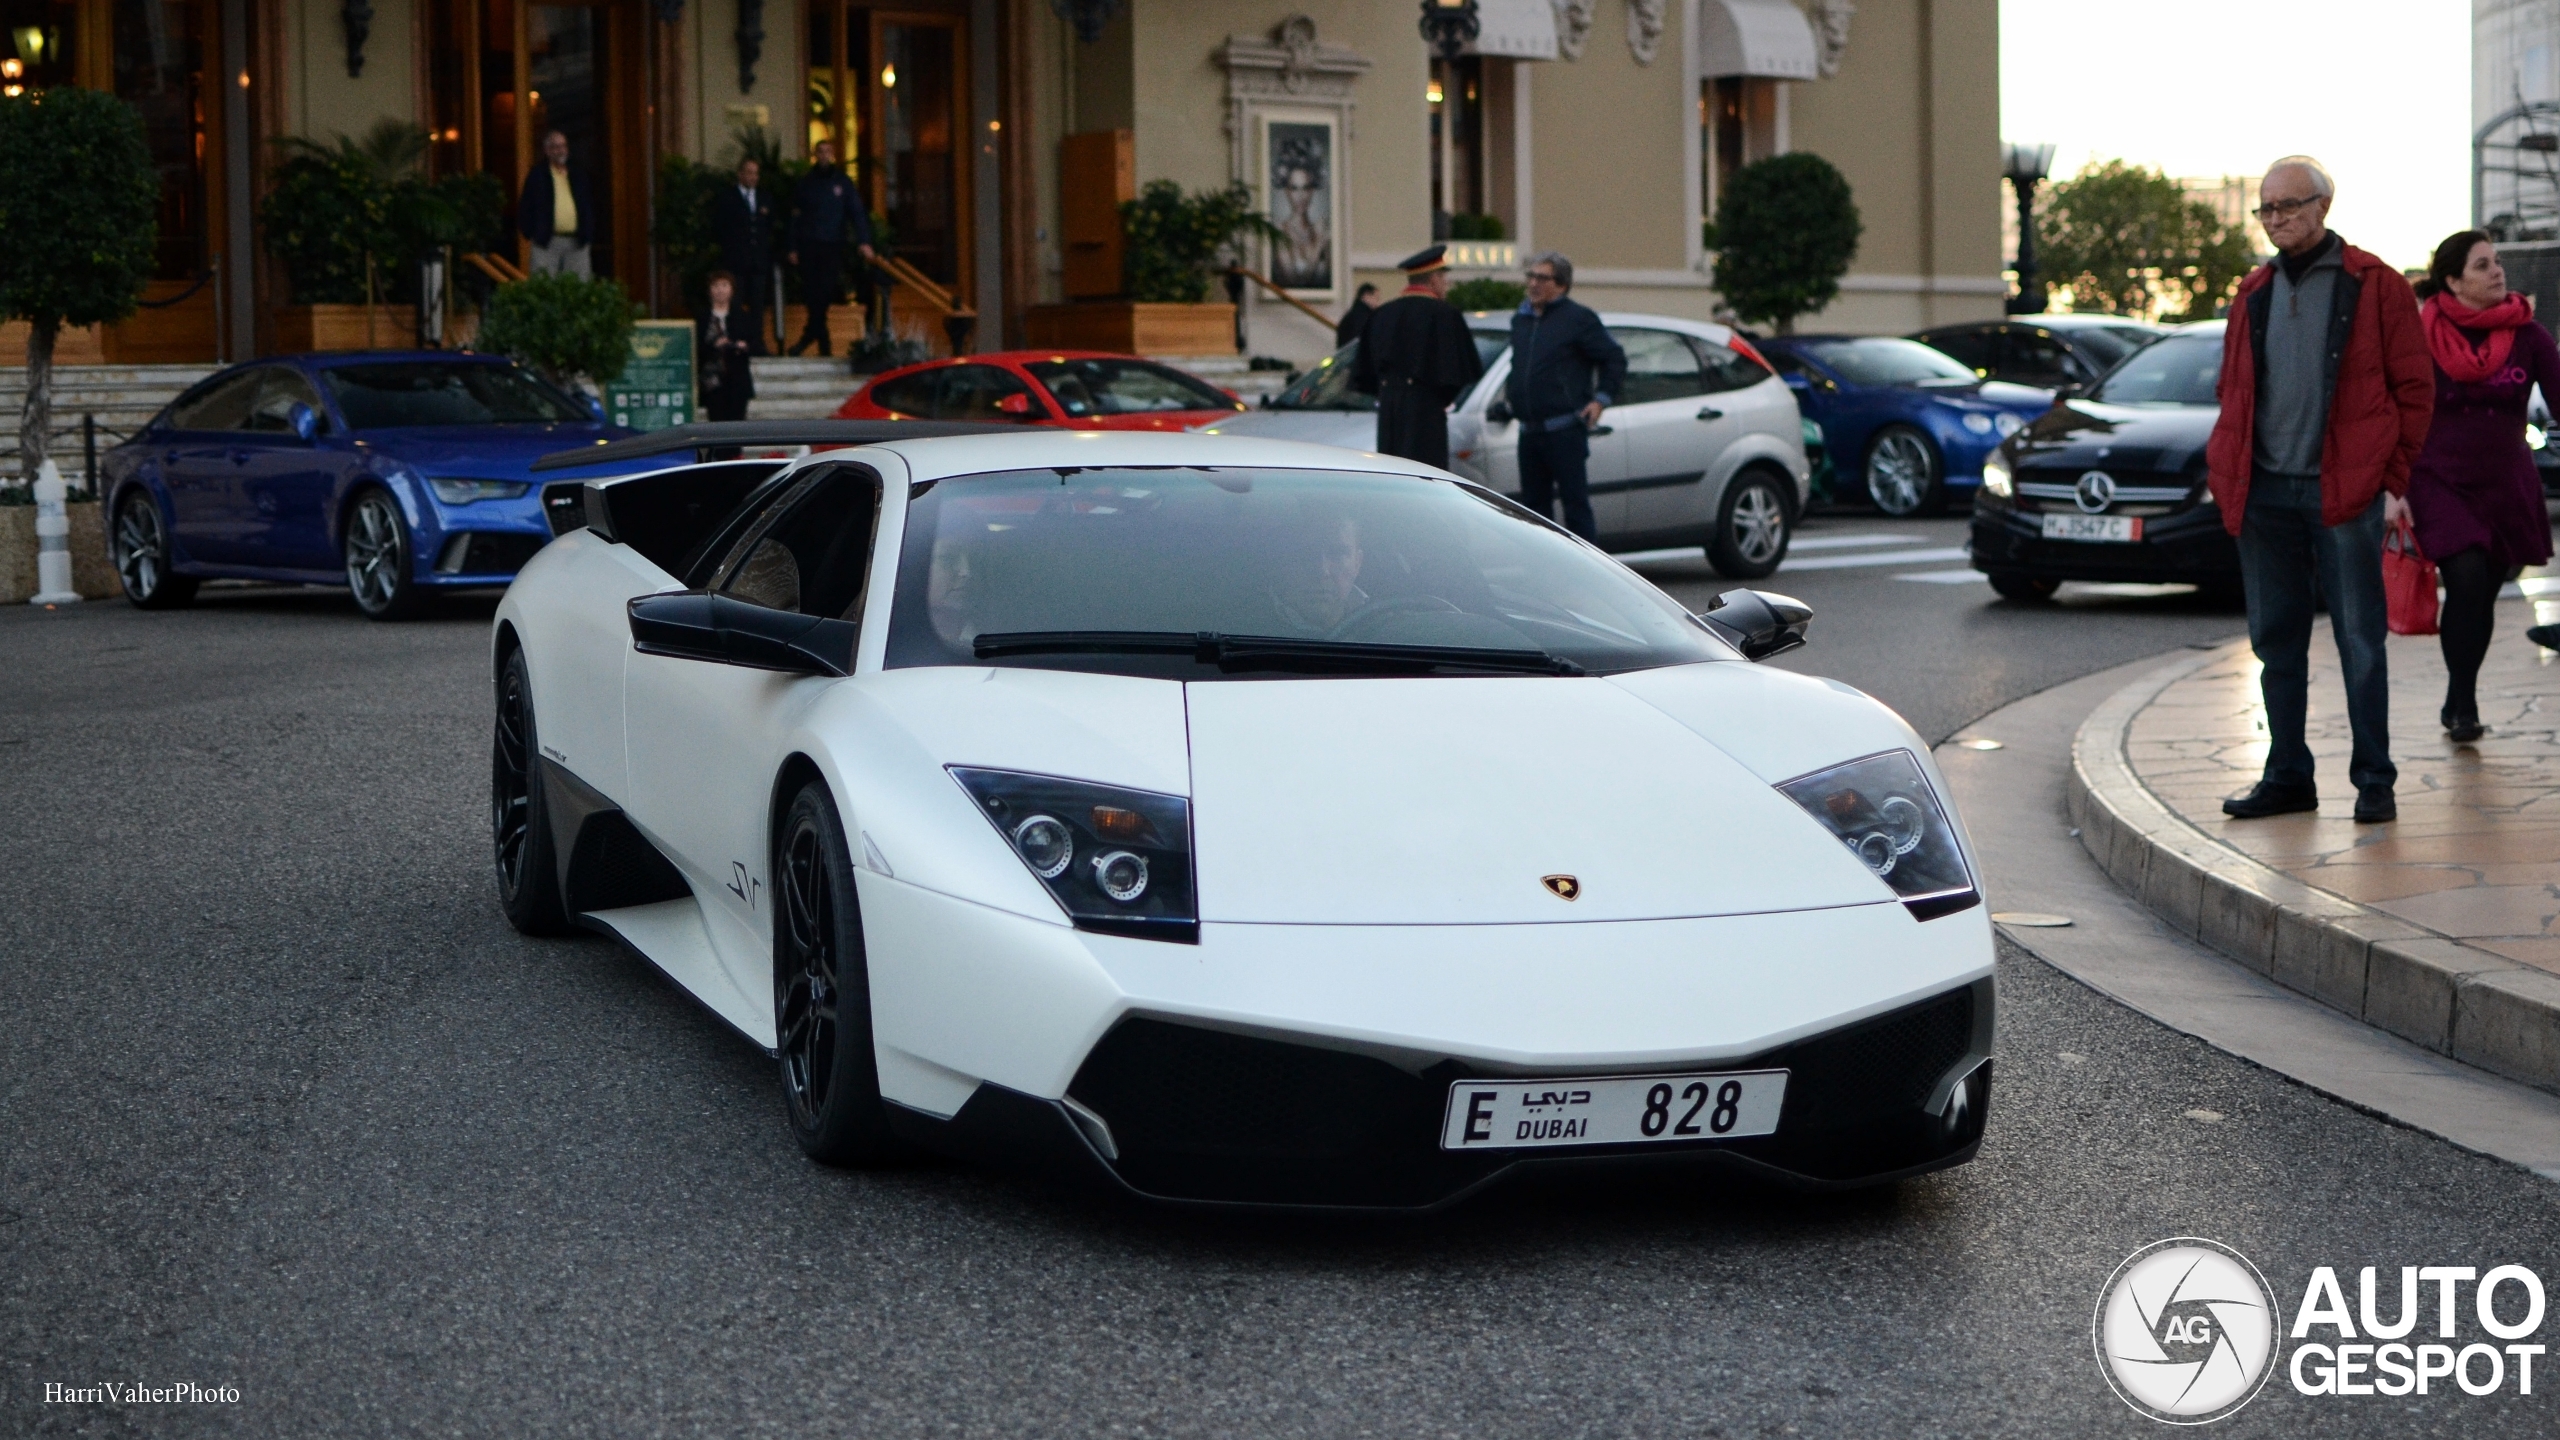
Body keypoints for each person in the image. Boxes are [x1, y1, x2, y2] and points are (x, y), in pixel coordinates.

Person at [2207, 158, 2434, 824]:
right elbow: (2233, 391)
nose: (2276, 219)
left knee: (2360, 642)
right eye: (2266, 209)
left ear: (2323, 206)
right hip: (2266, 495)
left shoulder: (2375, 284)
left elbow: (2414, 391)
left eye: (2288, 205)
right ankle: (2287, 778)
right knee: (2275, 641)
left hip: (2347, 490)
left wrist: (2392, 482)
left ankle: (2374, 779)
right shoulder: (2252, 291)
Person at [2405, 231, 2559, 742]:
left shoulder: (2530, 335)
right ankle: (2463, 699)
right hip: (2439, 480)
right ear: (2452, 281)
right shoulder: (2419, 334)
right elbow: (2398, 410)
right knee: (2467, 579)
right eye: (2482, 265)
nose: (2498, 272)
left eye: (2497, 263)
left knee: (2484, 592)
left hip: (2506, 486)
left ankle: (2460, 691)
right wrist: (2391, 483)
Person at [1503, 250, 1626, 542]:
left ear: (1561, 285)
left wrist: (1601, 400)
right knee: (1533, 514)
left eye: (1542, 278)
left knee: (1576, 508)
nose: (1533, 283)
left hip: (1564, 430)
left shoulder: (1578, 319)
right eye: (1530, 276)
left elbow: (1614, 358)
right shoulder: (1521, 320)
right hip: (1529, 432)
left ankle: (1587, 577)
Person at [1351, 246, 1483, 469]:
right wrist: (1439, 399)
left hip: (1389, 411)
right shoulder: (1444, 315)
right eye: (1444, 278)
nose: (1446, 285)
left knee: (1393, 476)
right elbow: (1459, 371)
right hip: (1425, 412)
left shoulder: (1381, 314)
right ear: (1433, 279)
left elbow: (1364, 372)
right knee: (1426, 477)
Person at [787, 139, 876, 358]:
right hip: (808, 245)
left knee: (825, 293)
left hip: (833, 246)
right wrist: (792, 246)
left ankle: (809, 337)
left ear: (833, 154)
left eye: (828, 151)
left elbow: (857, 213)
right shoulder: (806, 183)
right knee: (812, 294)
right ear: (814, 154)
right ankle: (822, 342)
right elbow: (794, 218)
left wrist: (864, 241)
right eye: (821, 151)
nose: (824, 155)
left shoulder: (843, 182)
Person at [711, 158, 776, 350]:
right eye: (748, 172)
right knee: (736, 303)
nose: (752, 177)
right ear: (740, 174)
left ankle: (757, 343)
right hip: (736, 260)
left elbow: (770, 227)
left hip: (758, 261)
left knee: (758, 304)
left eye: (755, 173)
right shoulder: (728, 198)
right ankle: (737, 341)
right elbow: (720, 228)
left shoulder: (765, 198)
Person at [518, 130, 595, 277]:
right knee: (544, 286)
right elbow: (526, 206)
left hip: (577, 242)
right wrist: (532, 232)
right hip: (547, 241)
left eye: (563, 146)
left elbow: (588, 204)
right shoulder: (538, 175)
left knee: (578, 287)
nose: (561, 151)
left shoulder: (578, 174)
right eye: (556, 147)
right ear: (547, 151)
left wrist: (588, 229)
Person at [697, 271, 760, 424]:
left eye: (724, 285)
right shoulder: (702, 317)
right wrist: (714, 345)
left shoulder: (741, 315)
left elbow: (754, 342)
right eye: (716, 286)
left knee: (736, 427)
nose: (720, 290)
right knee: (716, 425)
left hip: (737, 379)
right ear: (710, 290)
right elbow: (696, 346)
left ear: (731, 290)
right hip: (713, 381)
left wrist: (742, 346)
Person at [1334, 283, 1379, 348]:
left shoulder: (1353, 314)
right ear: (1366, 296)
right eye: (1376, 298)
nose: (1377, 303)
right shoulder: (1363, 317)